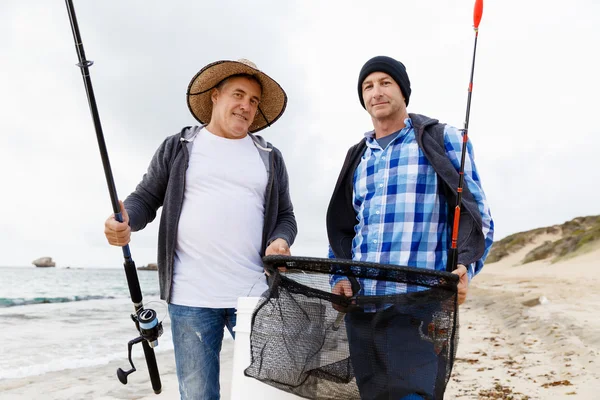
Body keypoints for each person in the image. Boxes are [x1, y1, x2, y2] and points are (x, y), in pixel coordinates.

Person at [104, 59, 297, 400]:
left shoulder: (269, 155)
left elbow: (286, 216)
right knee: (197, 395)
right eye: (239, 95)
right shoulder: (179, 146)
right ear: (214, 96)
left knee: (269, 393)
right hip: (191, 298)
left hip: (255, 295)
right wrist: (126, 220)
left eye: (254, 101)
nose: (246, 106)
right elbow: (145, 198)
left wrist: (280, 240)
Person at [326, 56, 494, 399]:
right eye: (367, 86)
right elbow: (344, 229)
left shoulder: (443, 138)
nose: (376, 92)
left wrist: (466, 267)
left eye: (385, 82)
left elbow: (479, 218)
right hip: (364, 305)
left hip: (420, 304)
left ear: (403, 90)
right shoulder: (357, 155)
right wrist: (339, 276)